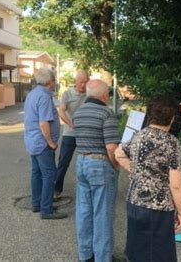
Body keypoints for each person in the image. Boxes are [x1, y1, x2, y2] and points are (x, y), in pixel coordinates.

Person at [115, 97, 181, 262]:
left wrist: (138, 172)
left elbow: (118, 153)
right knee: (159, 254)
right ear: (172, 118)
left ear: (150, 115)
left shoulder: (139, 136)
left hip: (134, 202)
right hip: (158, 207)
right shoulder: (171, 143)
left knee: (138, 250)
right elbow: (176, 184)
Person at [72, 79, 120, 262]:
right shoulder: (106, 113)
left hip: (82, 163)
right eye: (108, 93)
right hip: (100, 165)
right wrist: (115, 166)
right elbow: (111, 147)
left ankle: (85, 255)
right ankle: (103, 257)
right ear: (103, 95)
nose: (109, 96)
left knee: (84, 211)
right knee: (103, 213)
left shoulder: (79, 112)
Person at [23, 68, 67, 219]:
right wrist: (51, 142)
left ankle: (37, 203)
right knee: (49, 175)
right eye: (54, 80)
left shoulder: (32, 94)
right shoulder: (44, 97)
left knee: (36, 173)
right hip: (42, 143)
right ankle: (46, 209)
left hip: (32, 140)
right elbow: (44, 123)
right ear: (51, 82)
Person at [54, 70, 89, 199]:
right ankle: (56, 189)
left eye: (86, 82)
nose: (83, 85)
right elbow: (61, 111)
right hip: (70, 134)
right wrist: (70, 124)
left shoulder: (90, 95)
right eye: (81, 82)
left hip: (86, 135)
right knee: (63, 162)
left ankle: (87, 190)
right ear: (76, 81)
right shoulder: (67, 94)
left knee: (88, 162)